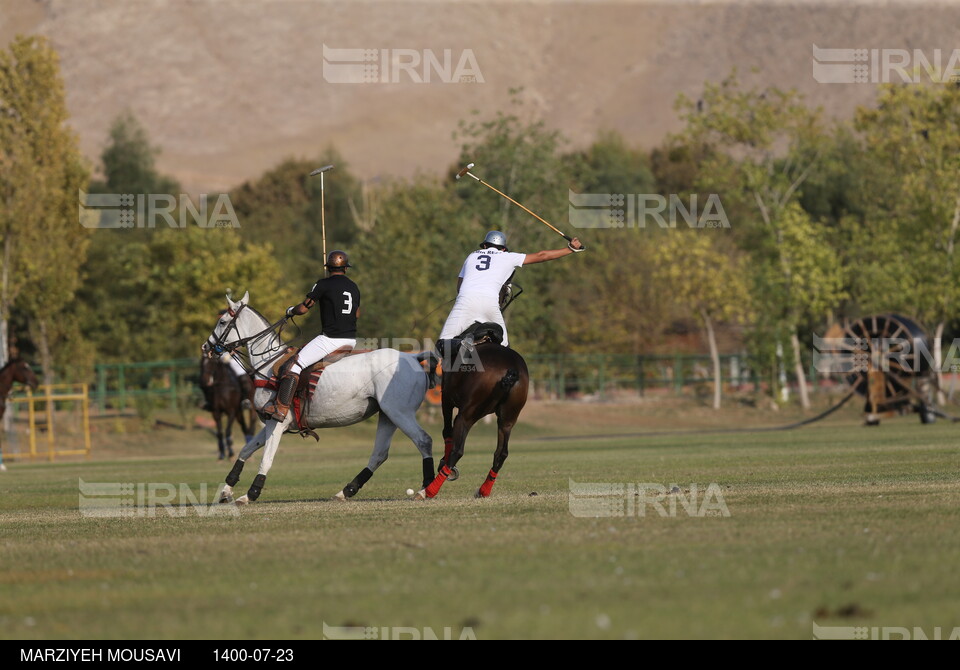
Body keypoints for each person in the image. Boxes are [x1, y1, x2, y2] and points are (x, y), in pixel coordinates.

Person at [438, 230, 583, 348]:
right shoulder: (508, 257)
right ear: (503, 248)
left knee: (442, 344)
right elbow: (542, 255)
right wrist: (569, 249)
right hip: (490, 304)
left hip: (465, 302)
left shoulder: (472, 256)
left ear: (484, 246)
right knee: (504, 347)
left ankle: (457, 351)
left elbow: (459, 286)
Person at [264, 250, 360, 421]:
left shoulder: (323, 284)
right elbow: (357, 314)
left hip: (331, 340)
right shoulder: (354, 287)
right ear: (345, 268)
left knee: (294, 364)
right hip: (351, 340)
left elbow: (303, 309)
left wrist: (290, 310)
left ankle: (281, 408)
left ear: (328, 267)